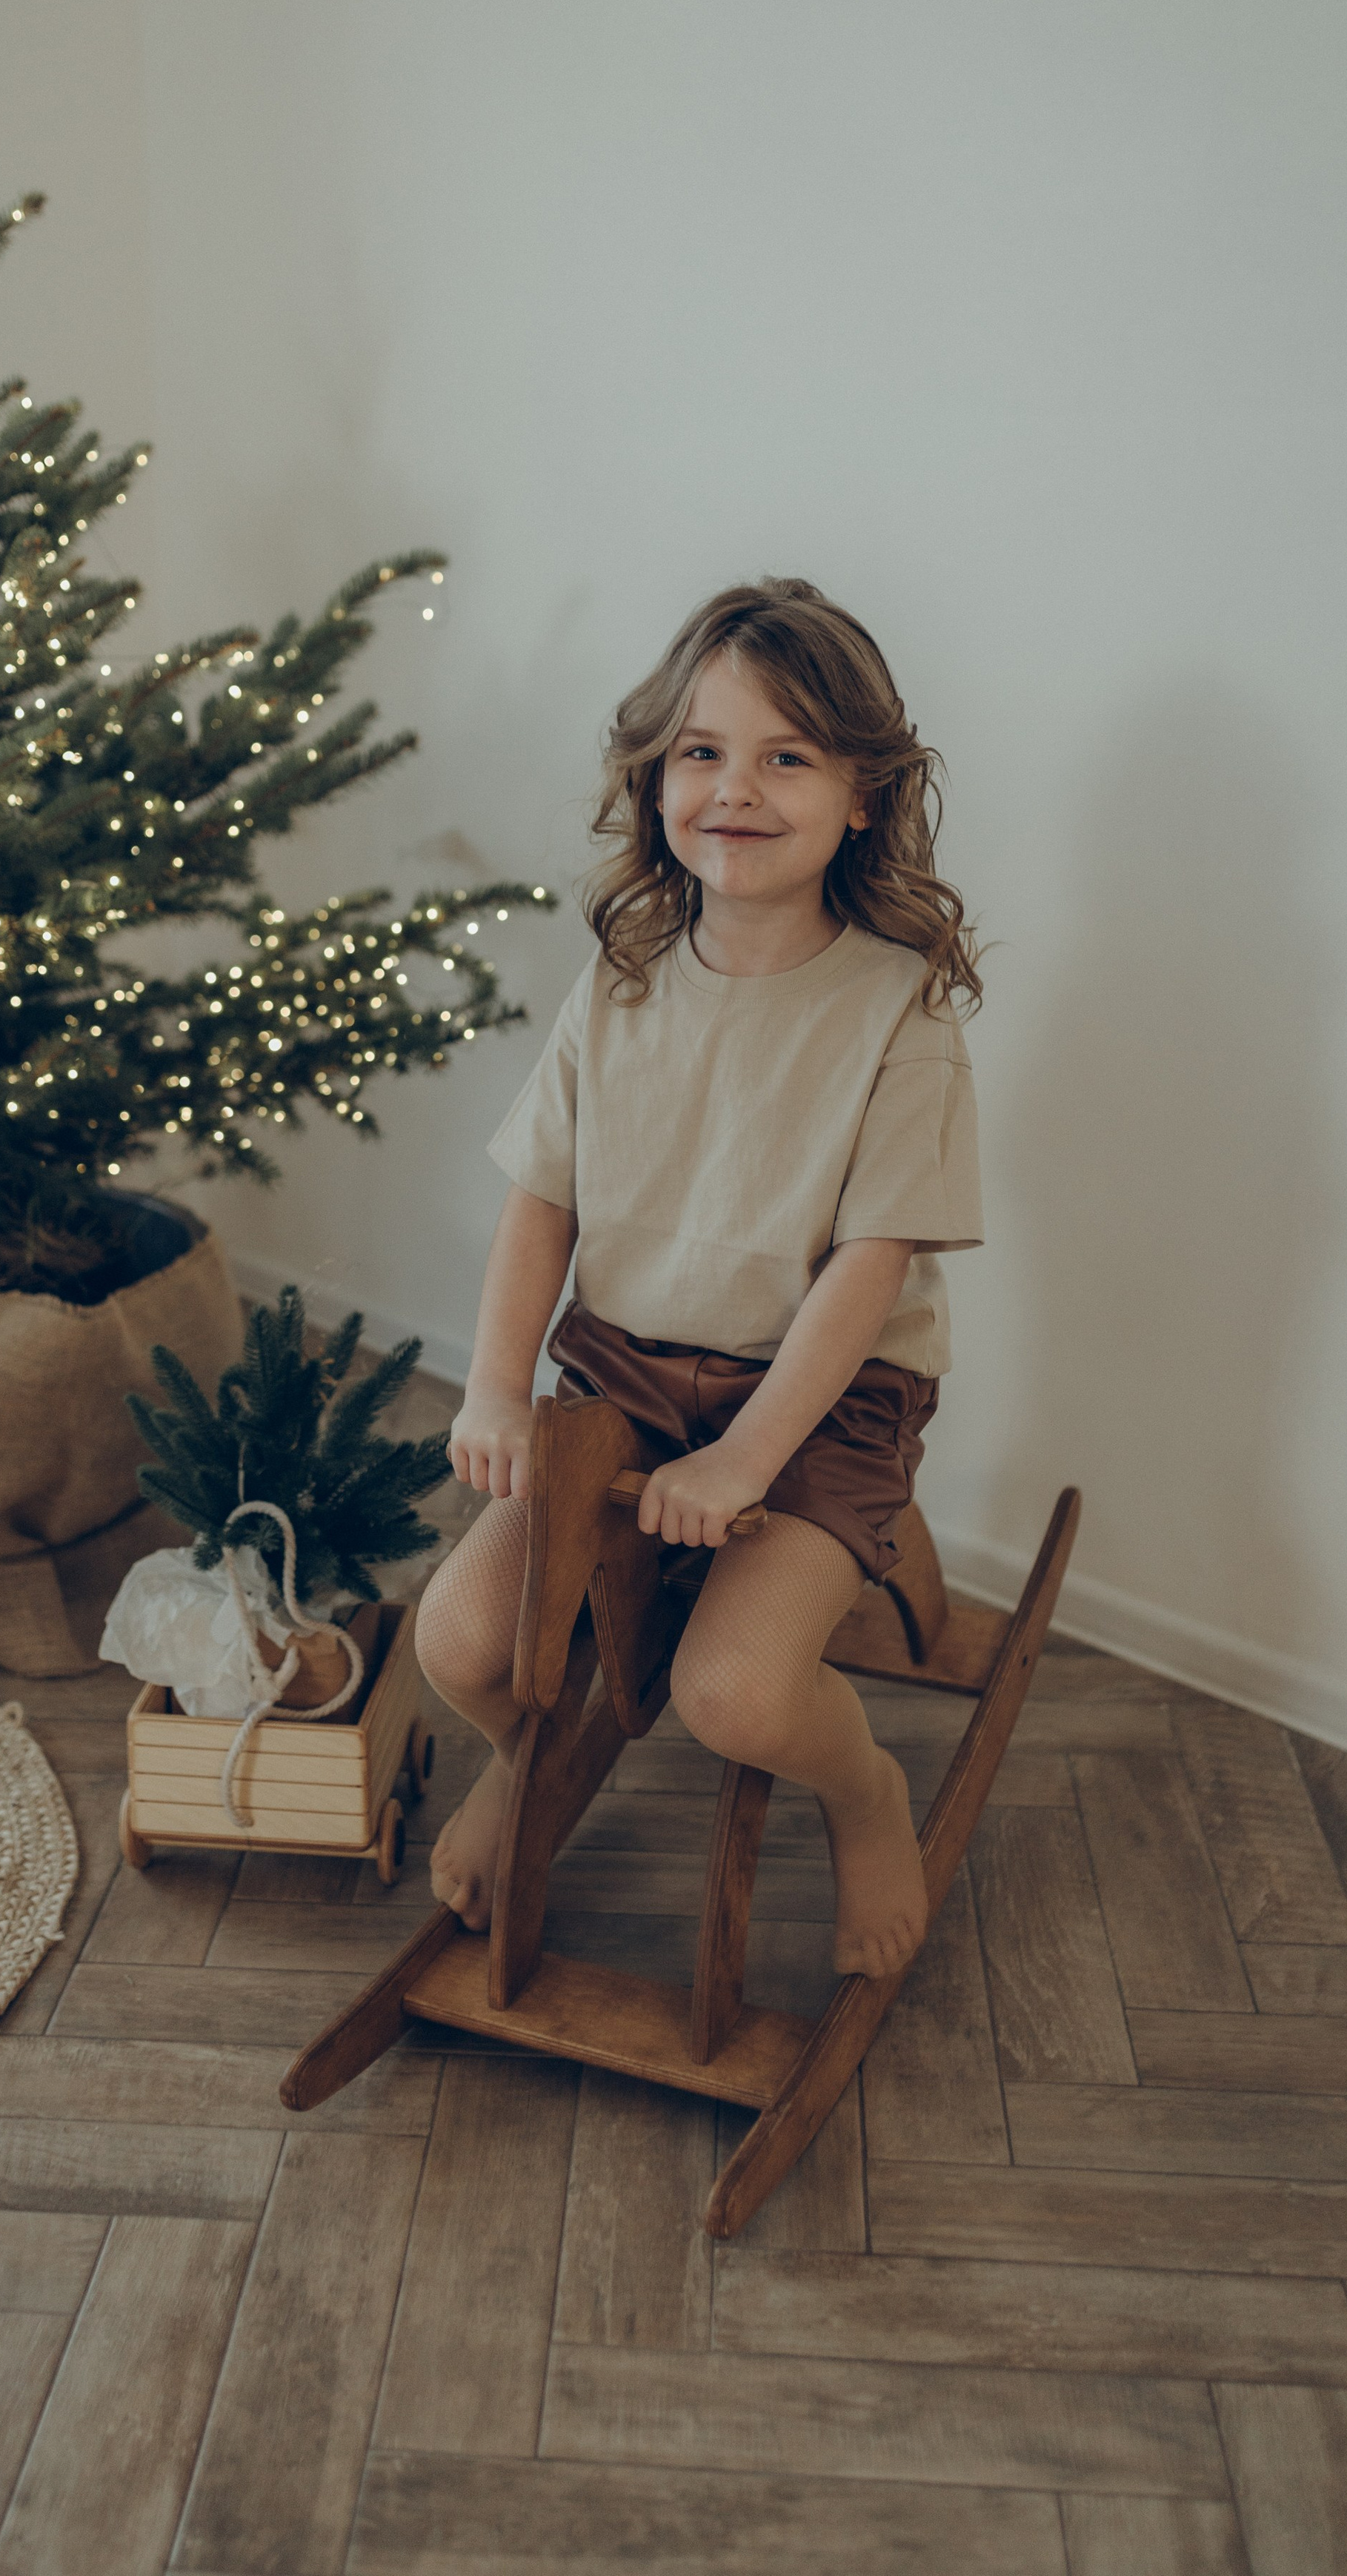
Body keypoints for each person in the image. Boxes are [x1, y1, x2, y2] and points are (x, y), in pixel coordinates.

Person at [413, 577, 984, 1979]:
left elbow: (868, 1275)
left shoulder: (896, 1007)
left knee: (735, 1694)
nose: (736, 787)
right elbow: (540, 1205)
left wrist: (740, 1466)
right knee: (464, 1646)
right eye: (702, 752)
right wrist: (496, 1386)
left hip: (818, 1402)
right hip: (618, 1377)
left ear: (864, 797)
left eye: (787, 756)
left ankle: (867, 1796)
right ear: (656, 776)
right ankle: (527, 1761)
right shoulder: (620, 977)